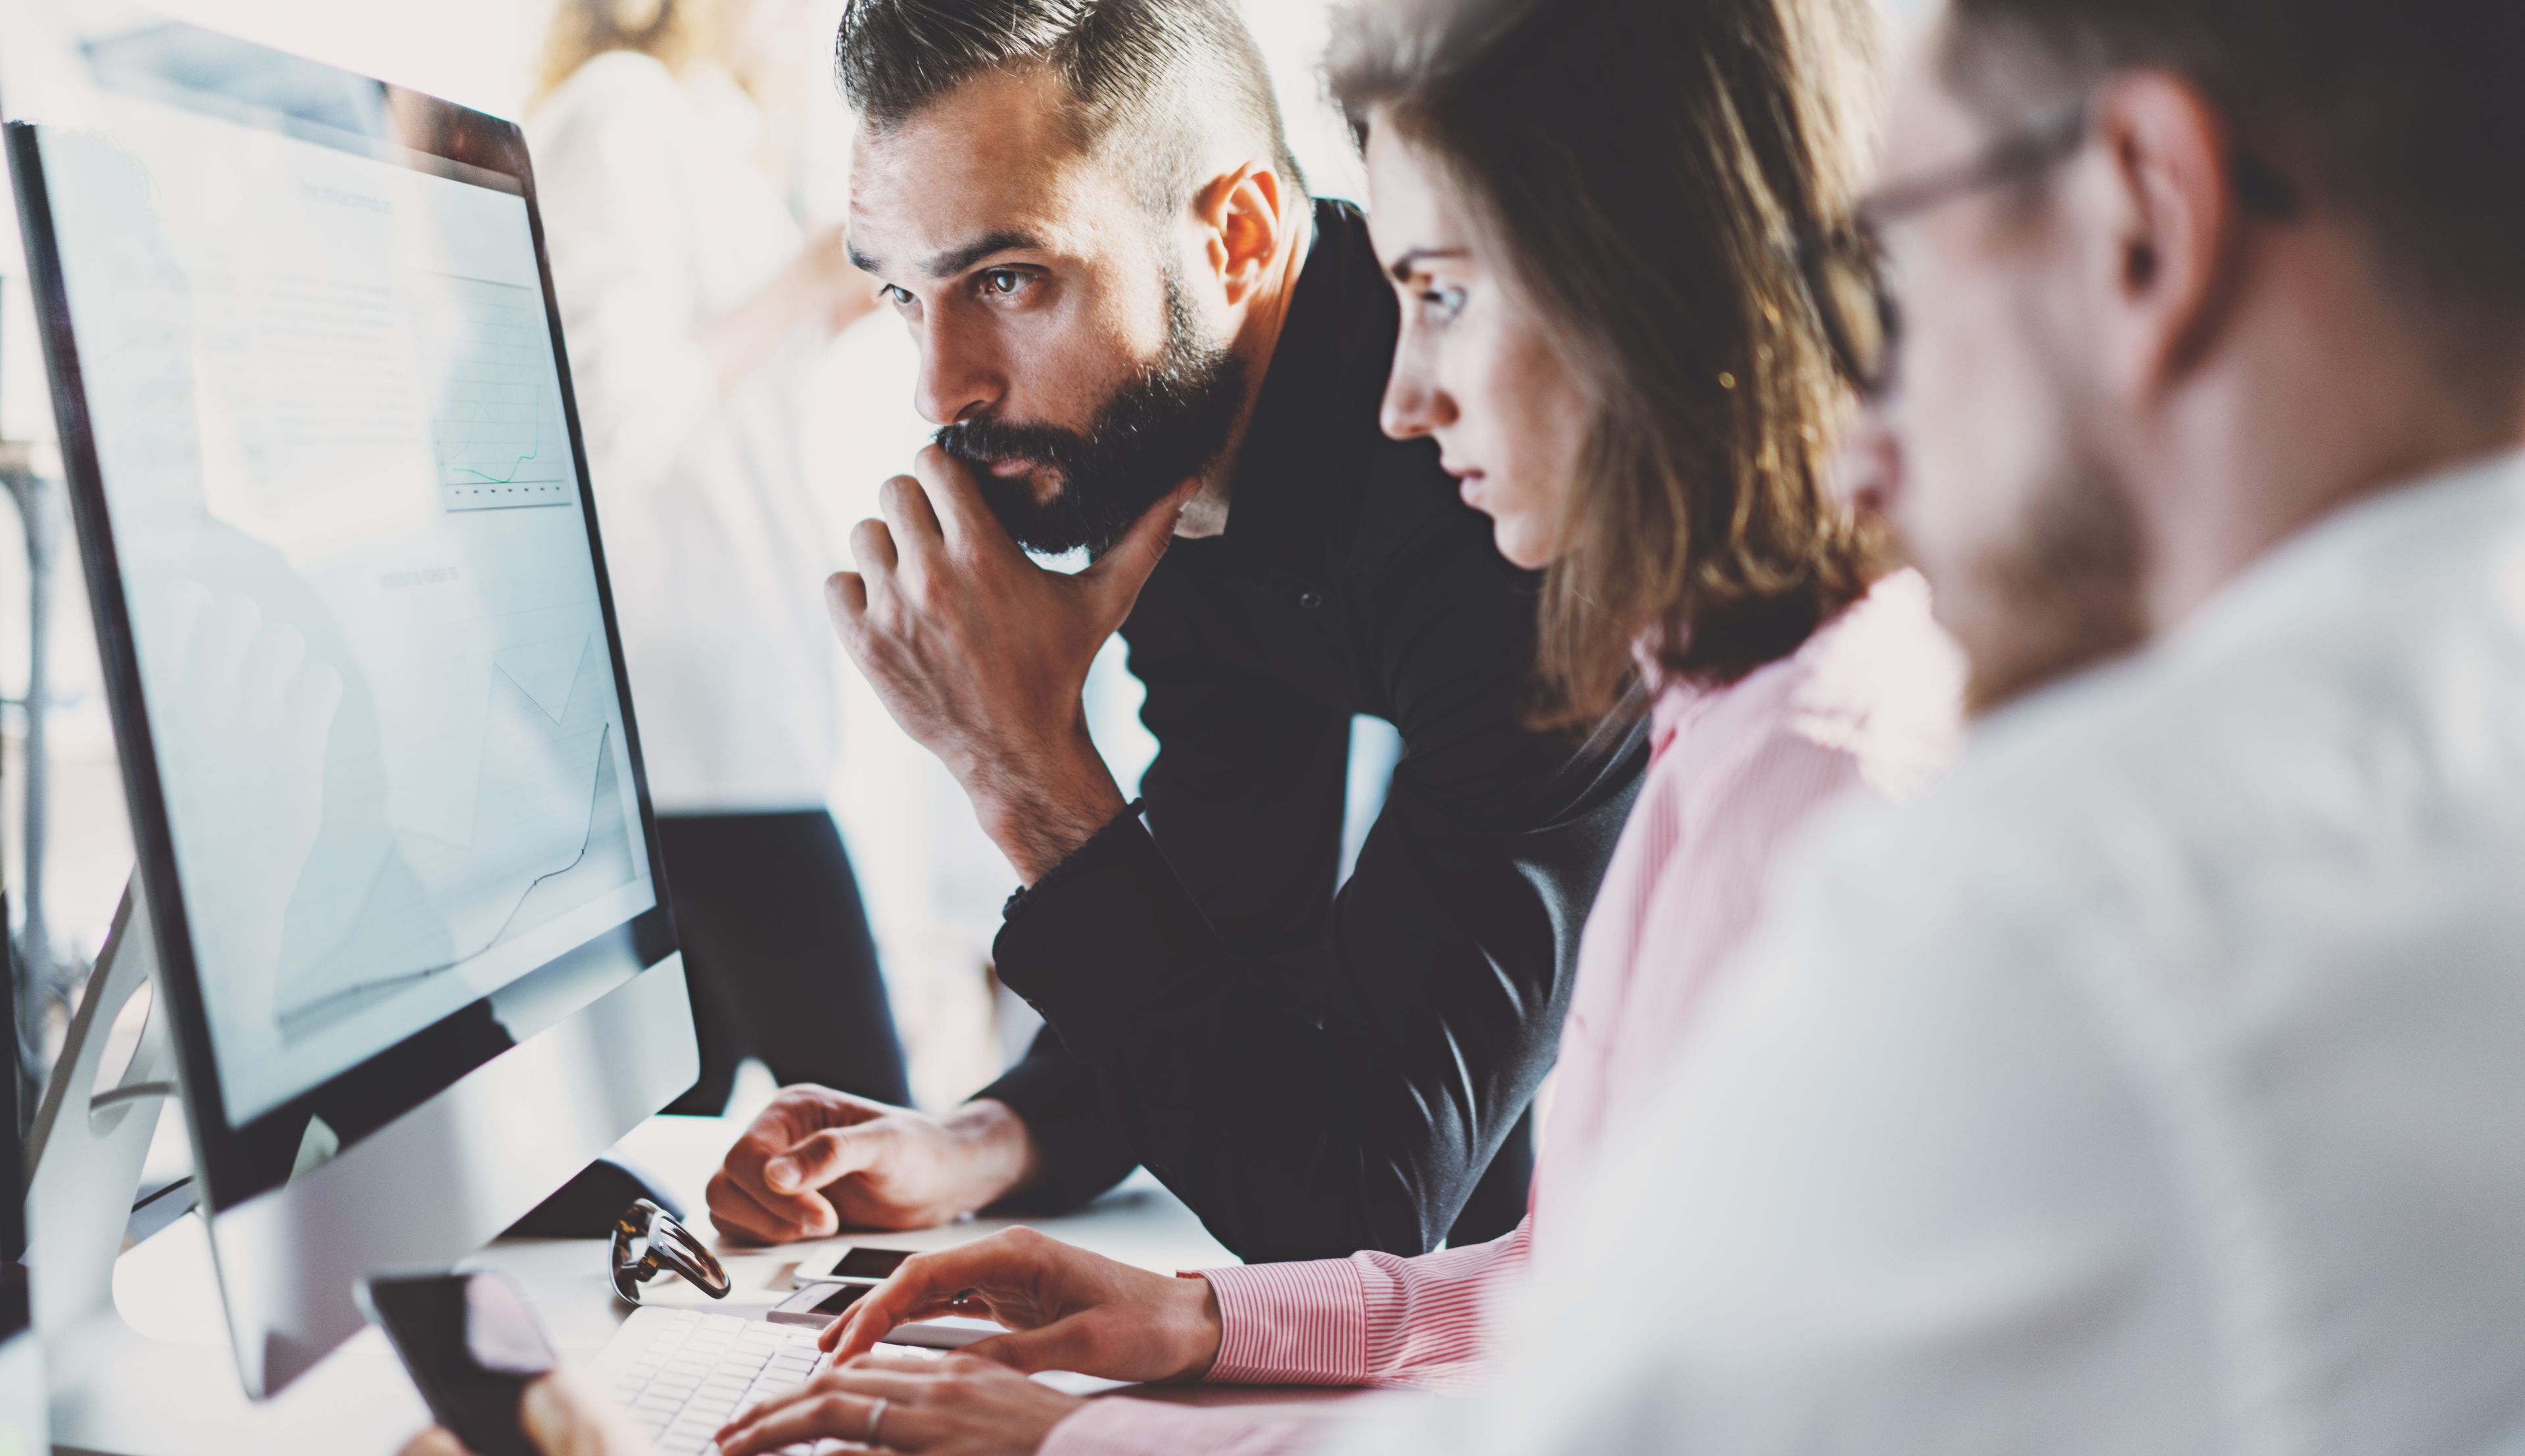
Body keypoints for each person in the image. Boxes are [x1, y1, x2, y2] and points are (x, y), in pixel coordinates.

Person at [711, 0, 2525, 1448]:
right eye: (900, 295)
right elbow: (1568, 1258)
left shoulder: (1973, 868)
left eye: (1904, 258)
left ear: (2144, 220)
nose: (1863, 424)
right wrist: (1159, 1288)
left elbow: (1514, 1327)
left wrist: (1025, 784)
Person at [702, 0, 1652, 1265]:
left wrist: (1021, 772)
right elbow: (1225, 922)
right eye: (901, 295)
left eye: (1007, 279)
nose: (940, 389)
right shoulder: (1166, 455)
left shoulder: (1498, 497)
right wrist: (982, 1141)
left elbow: (1359, 1196)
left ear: (1242, 235)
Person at [529, 0, 912, 1114]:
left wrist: (813, 313)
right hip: (702, 749)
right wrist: (799, 285)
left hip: (726, 739)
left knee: (673, 1149)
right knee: (874, 1133)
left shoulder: (702, 137)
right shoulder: (620, 114)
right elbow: (608, 415)